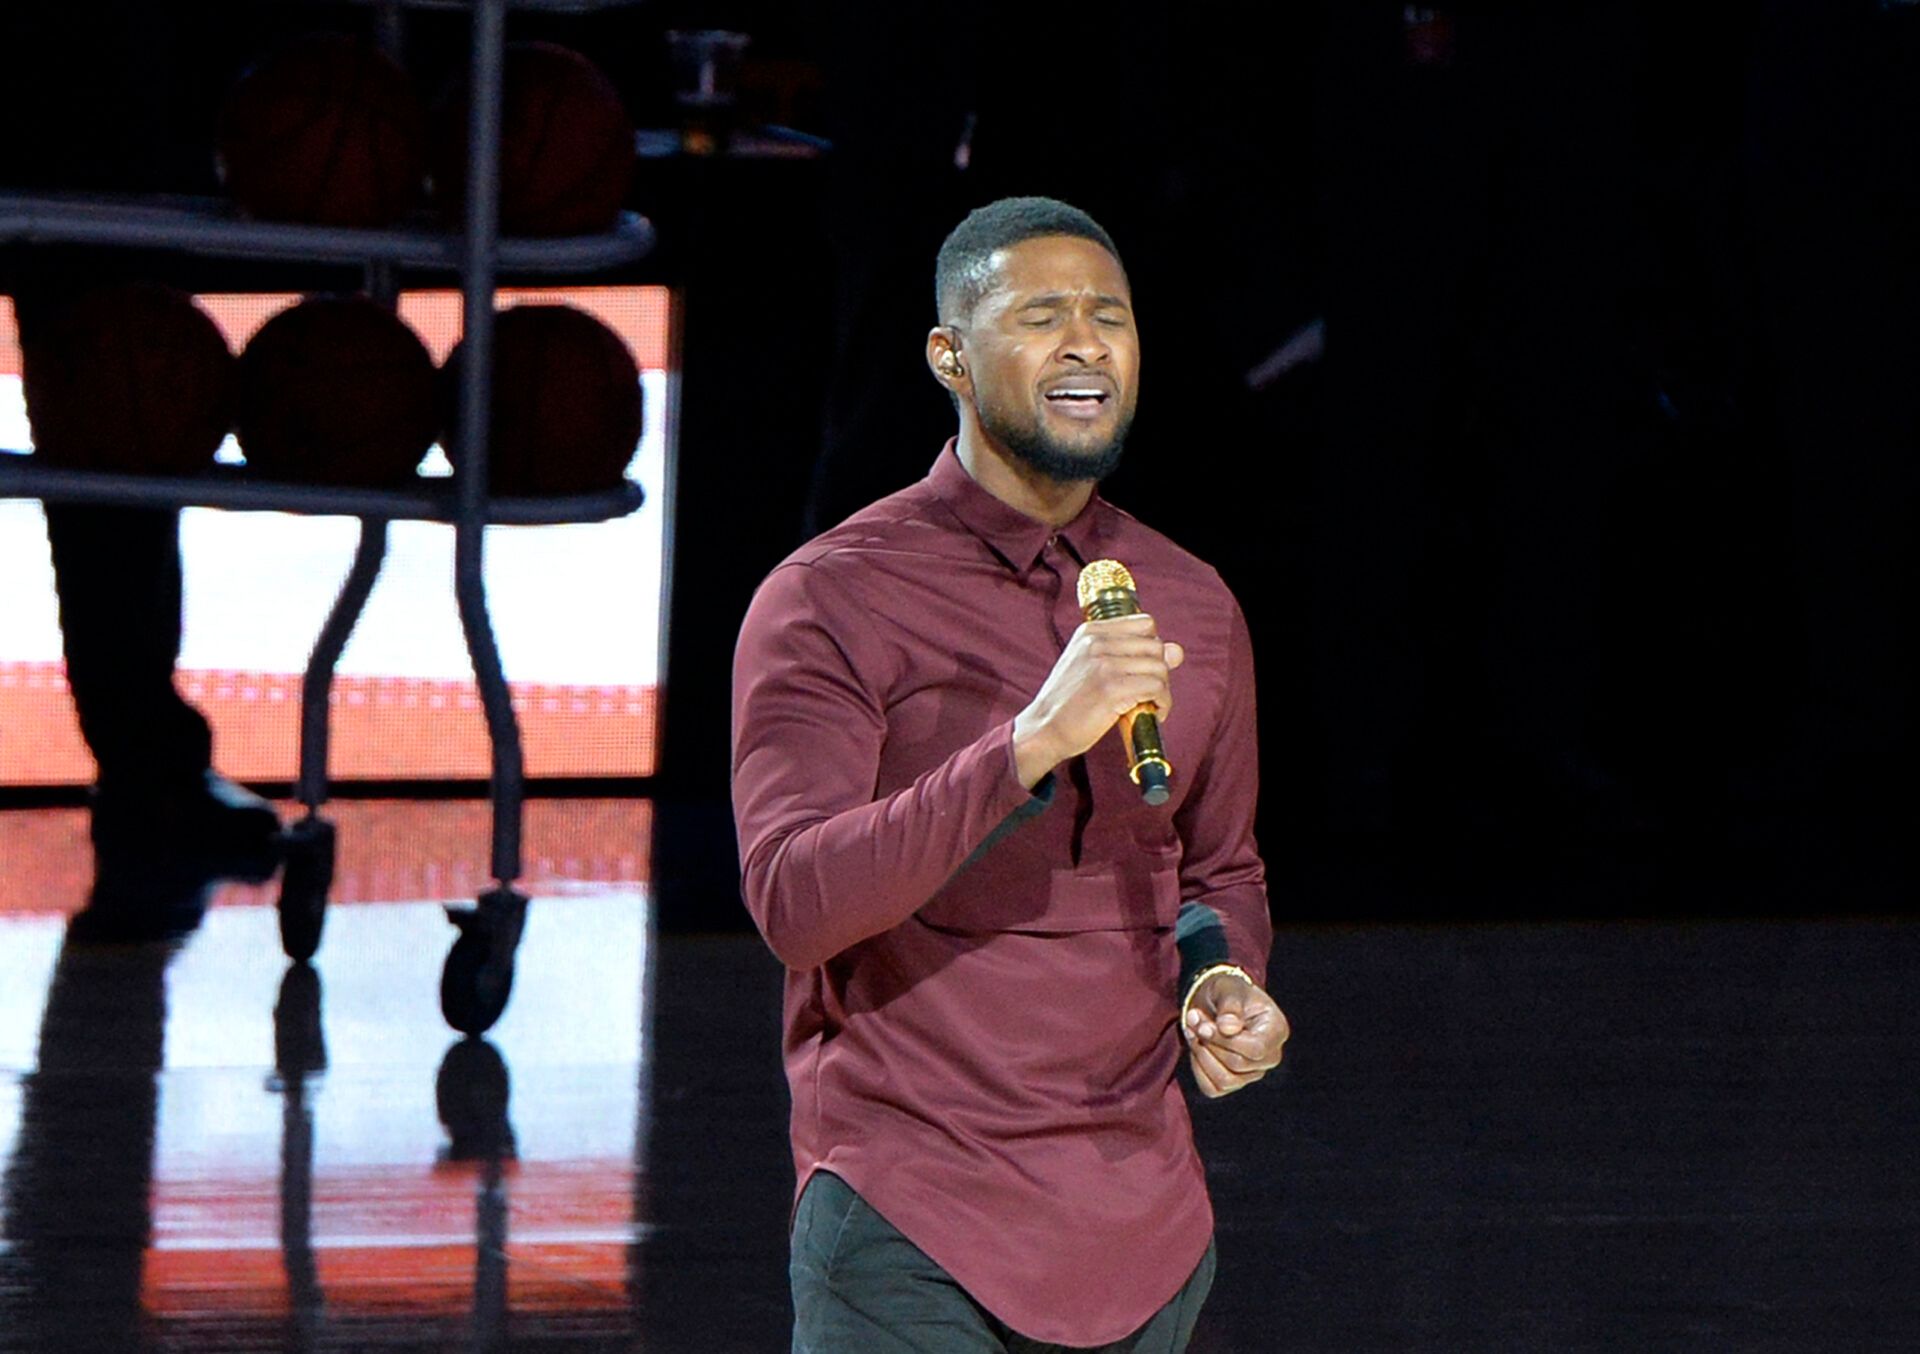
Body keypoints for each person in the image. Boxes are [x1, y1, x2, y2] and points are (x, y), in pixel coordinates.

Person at [732, 196, 1289, 1352]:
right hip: (915, 1214)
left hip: (1147, 1230)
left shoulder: (1192, 600)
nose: (1087, 342)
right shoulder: (831, 596)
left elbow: (1218, 869)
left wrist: (1222, 983)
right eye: (1043, 316)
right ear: (949, 354)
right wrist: (1027, 741)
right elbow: (795, 901)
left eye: (1111, 318)